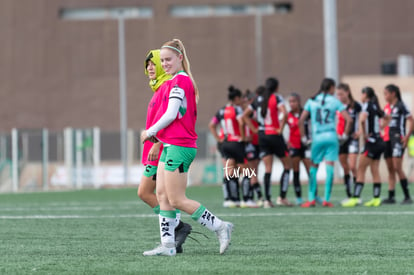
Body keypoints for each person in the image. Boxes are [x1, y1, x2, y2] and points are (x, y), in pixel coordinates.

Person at [141, 39, 233, 256]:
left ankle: (221, 226)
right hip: (171, 145)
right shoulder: (174, 81)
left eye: (168, 59)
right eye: (162, 60)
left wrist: (150, 132)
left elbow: (171, 113)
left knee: (176, 199)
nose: (164, 63)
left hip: (181, 146)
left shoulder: (181, 81)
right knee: (162, 195)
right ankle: (168, 245)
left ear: (180, 58)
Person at [138, 49, 191, 253]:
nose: (150, 68)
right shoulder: (159, 88)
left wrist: (158, 143)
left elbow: (172, 118)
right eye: (147, 65)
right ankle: (175, 231)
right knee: (153, 194)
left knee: (150, 193)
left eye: (154, 63)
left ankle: (177, 228)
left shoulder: (168, 86)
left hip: (162, 148)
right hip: (155, 146)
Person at [299, 78, 352, 207]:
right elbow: (349, 120)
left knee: (313, 168)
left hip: (317, 138)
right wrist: (344, 135)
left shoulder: (311, 101)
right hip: (331, 137)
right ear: (332, 88)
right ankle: (326, 199)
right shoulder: (335, 101)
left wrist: (304, 138)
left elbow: (300, 121)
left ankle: (311, 198)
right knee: (329, 168)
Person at [243, 77, 293, 207]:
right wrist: (281, 128)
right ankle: (282, 197)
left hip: (262, 135)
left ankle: (267, 200)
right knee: (287, 165)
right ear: (276, 87)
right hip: (274, 135)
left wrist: (255, 129)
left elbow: (244, 115)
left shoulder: (258, 99)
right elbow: (285, 113)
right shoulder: (276, 98)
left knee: (267, 168)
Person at [209, 85, 253, 208]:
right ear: (237, 98)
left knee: (229, 171)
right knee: (246, 171)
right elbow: (240, 122)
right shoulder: (237, 110)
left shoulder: (221, 111)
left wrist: (218, 139)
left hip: (224, 144)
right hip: (236, 143)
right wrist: (243, 137)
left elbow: (211, 125)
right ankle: (246, 199)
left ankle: (231, 199)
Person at [342, 87, 386, 207]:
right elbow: (387, 117)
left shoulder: (366, 105)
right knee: (375, 170)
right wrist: (381, 129)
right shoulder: (376, 106)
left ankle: (355, 198)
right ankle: (376, 198)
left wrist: (363, 132)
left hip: (371, 142)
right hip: (380, 141)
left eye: (361, 94)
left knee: (360, 169)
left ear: (365, 95)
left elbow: (362, 119)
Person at [381, 84, 413, 204]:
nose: (385, 96)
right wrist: (382, 124)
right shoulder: (387, 107)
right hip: (387, 139)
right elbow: (384, 124)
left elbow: (411, 120)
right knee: (390, 168)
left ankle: (407, 196)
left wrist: (406, 137)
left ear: (393, 93)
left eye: (386, 94)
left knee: (397, 167)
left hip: (396, 138)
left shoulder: (401, 106)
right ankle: (391, 196)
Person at [336, 83, 362, 200]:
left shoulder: (355, 105)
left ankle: (357, 195)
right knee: (345, 167)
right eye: (338, 94)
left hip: (352, 138)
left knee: (352, 166)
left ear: (347, 92)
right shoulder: (336, 106)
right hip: (340, 139)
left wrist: (360, 132)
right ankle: (349, 194)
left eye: (341, 94)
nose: (339, 97)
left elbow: (362, 119)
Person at [286, 93, 312, 205]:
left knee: (310, 171)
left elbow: (312, 126)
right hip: (294, 146)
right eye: (290, 102)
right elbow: (285, 130)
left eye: (294, 101)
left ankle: (313, 195)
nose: (292, 104)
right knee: (296, 171)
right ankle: (298, 197)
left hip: (305, 145)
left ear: (299, 102)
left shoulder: (305, 114)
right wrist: (287, 141)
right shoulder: (288, 115)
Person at [242, 88, 263, 206]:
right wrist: (245, 137)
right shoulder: (245, 113)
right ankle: (253, 197)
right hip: (249, 144)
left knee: (254, 171)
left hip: (258, 143)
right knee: (251, 171)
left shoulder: (255, 112)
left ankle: (251, 196)